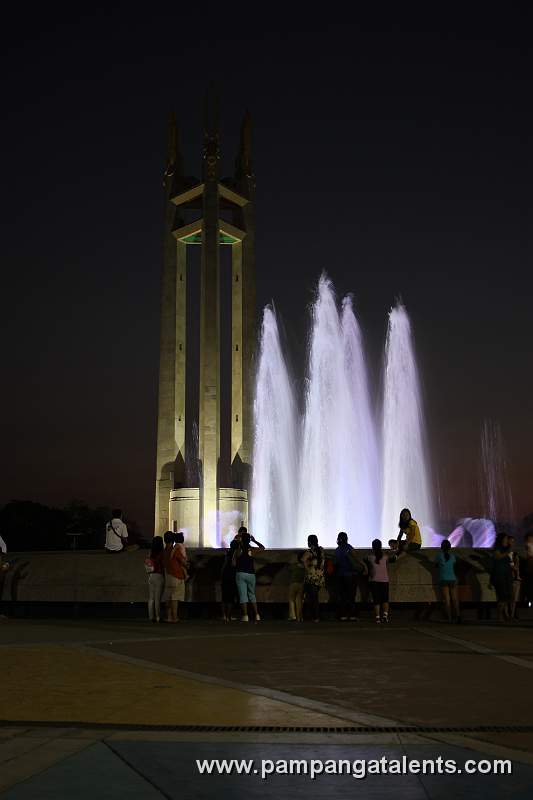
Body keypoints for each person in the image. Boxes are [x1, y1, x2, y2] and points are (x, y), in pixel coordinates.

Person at [232, 529, 265, 623]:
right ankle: (257, 615)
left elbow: (233, 563)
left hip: (241, 574)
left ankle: (245, 616)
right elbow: (262, 547)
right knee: (252, 595)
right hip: (251, 574)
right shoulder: (252, 550)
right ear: (249, 540)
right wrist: (254, 541)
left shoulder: (239, 549)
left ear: (241, 539)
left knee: (243, 596)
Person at [334, 532, 365, 621]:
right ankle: (352, 615)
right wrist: (364, 566)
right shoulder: (349, 547)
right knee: (351, 596)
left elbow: (335, 562)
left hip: (340, 575)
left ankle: (343, 615)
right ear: (346, 538)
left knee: (342, 596)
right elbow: (357, 559)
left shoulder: (337, 550)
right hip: (351, 575)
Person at [366, 539, 393, 623]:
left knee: (376, 600)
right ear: (381, 546)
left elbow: (365, 560)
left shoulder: (370, 557)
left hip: (374, 580)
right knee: (385, 599)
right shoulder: (385, 557)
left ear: (372, 547)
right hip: (385, 580)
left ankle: (377, 617)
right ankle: (385, 616)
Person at [163, 530, 187, 622]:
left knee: (168, 597)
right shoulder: (175, 551)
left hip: (167, 576)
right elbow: (183, 562)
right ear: (173, 541)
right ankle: (175, 617)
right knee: (175, 598)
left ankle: (168, 617)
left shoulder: (164, 551)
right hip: (176, 575)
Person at [434, 539, 460, 623]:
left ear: (441, 547)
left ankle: (449, 618)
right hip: (452, 578)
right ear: (449, 547)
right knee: (455, 598)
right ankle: (458, 615)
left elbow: (435, 565)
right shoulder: (452, 556)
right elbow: (454, 565)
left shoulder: (439, 556)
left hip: (443, 579)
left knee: (447, 599)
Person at [490, 532, 513, 621]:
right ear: (502, 539)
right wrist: (507, 551)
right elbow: (498, 557)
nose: (507, 540)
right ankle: (499, 616)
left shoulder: (506, 549)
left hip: (507, 576)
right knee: (502, 596)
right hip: (499, 576)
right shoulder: (498, 548)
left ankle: (505, 615)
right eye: (506, 538)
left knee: (507, 596)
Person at [303, 535, 325, 622]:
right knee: (314, 598)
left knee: (312, 599)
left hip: (311, 578)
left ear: (310, 542)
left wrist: (307, 569)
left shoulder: (310, 552)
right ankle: (316, 616)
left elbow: (303, 560)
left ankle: (315, 617)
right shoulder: (321, 550)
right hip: (320, 578)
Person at [145, 536, 165, 623]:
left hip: (151, 576)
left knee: (151, 598)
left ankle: (150, 616)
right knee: (157, 598)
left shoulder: (150, 552)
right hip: (159, 576)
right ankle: (158, 617)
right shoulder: (162, 553)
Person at [221, 539, 239, 623]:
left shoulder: (227, 553)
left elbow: (224, 564)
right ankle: (229, 616)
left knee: (224, 597)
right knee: (230, 598)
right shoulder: (236, 553)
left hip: (225, 576)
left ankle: (224, 616)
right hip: (232, 576)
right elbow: (234, 564)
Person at [288, 551, 305, 622]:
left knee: (291, 599)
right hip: (301, 584)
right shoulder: (305, 566)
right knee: (299, 601)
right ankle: (299, 617)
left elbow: (289, 569)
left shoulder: (294, 565)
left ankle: (293, 616)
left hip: (293, 584)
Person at [508, 534, 521, 620]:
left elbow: (517, 566)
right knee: (509, 598)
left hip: (515, 578)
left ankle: (512, 615)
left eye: (513, 542)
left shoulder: (515, 554)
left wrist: (518, 575)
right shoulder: (505, 554)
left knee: (515, 599)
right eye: (510, 541)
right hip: (509, 577)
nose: (512, 543)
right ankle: (509, 615)